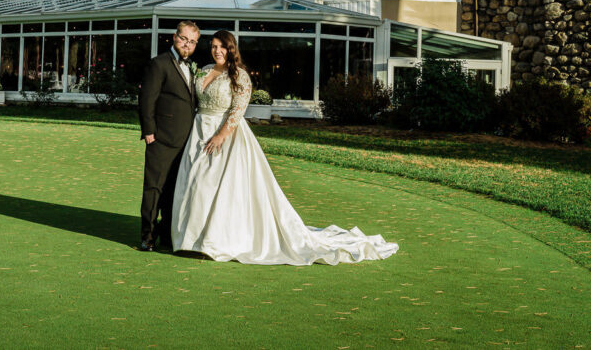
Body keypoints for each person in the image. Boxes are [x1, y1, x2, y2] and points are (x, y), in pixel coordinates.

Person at [171, 30, 399, 265]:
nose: (217, 51)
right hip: (199, 132)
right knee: (195, 183)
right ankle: (190, 240)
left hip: (225, 136)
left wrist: (221, 135)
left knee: (216, 186)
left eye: (223, 47)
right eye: (214, 46)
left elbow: (238, 111)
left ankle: (214, 241)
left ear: (232, 49)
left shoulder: (239, 76)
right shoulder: (205, 70)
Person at [137, 20, 199, 252]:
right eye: (184, 39)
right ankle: (147, 236)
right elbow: (146, 100)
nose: (187, 44)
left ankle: (166, 234)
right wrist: (149, 132)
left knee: (174, 191)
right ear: (174, 37)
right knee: (155, 189)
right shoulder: (159, 64)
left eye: (192, 42)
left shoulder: (193, 66)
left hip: (186, 141)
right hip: (161, 139)